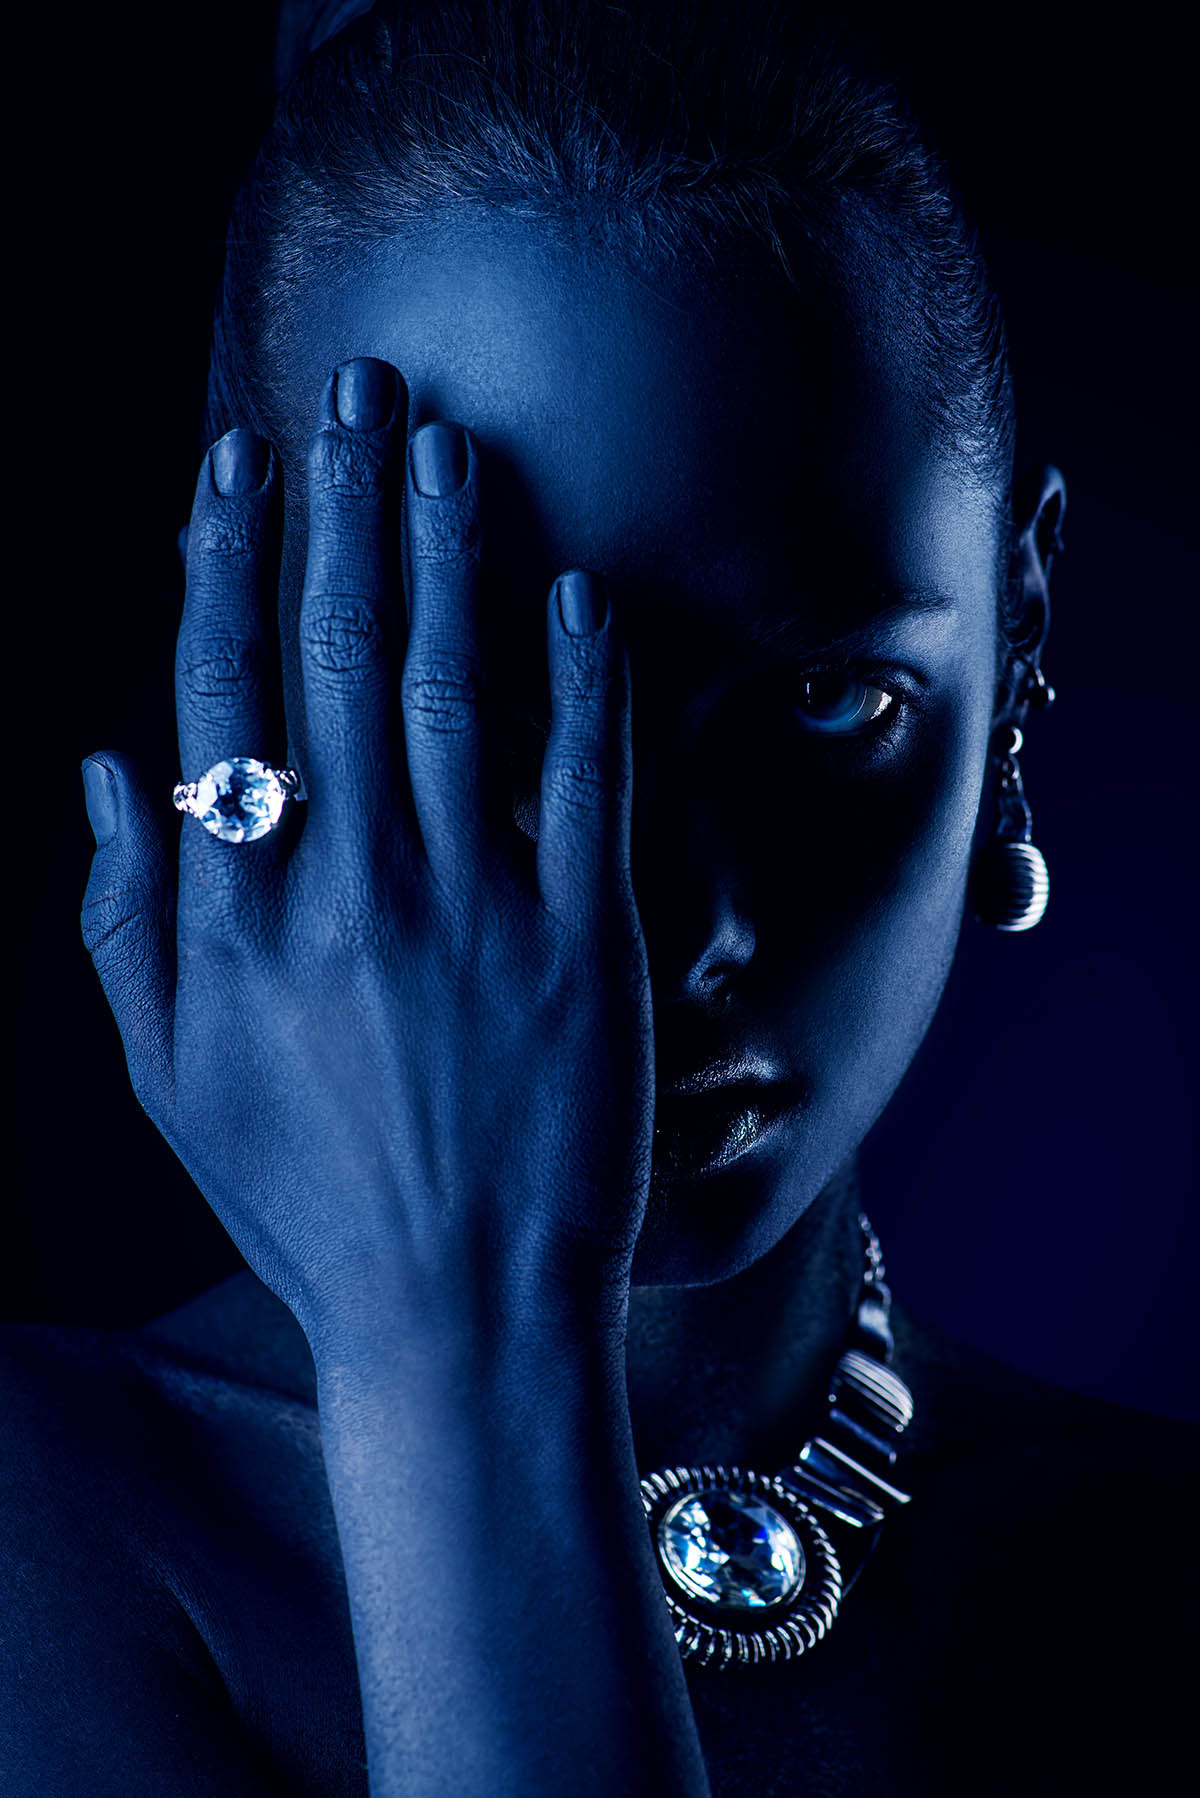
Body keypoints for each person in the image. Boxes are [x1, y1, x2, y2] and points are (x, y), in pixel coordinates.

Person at [3, 2, 1193, 1793]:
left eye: (826, 699)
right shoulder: (44, 1537)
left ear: (1020, 632)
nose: (674, 930)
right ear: (251, 650)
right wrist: (459, 1336)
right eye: (483, 708)